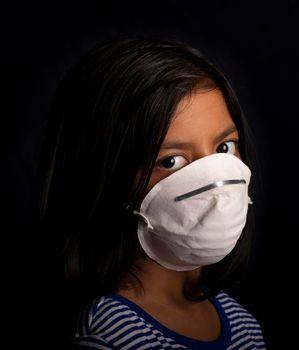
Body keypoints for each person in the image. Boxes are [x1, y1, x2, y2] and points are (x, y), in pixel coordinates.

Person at [34, 37, 265, 349]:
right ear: (106, 177)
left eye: (224, 147)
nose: (215, 178)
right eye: (171, 161)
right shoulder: (111, 335)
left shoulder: (242, 323)